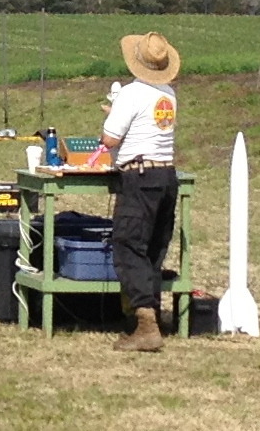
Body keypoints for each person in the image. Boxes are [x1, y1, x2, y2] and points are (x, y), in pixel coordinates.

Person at [89, 30, 180, 353]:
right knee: (153, 248)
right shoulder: (168, 94)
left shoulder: (130, 94)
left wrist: (112, 116)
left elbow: (110, 139)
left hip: (139, 176)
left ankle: (145, 323)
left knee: (128, 245)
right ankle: (149, 314)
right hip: (166, 174)